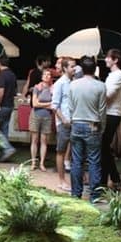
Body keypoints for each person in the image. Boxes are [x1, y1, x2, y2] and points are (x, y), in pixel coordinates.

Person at [66, 56, 107, 203]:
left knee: (76, 161)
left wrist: (73, 120)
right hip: (93, 125)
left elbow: (70, 107)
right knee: (94, 161)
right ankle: (94, 195)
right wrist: (102, 127)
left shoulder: (73, 85)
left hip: (76, 123)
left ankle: (76, 194)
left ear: (82, 69)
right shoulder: (101, 86)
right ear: (95, 69)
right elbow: (102, 110)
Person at [101, 48, 121, 189]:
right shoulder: (112, 75)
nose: (106, 59)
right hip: (108, 113)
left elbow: (107, 96)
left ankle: (107, 180)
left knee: (103, 146)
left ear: (115, 60)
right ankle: (111, 179)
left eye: (108, 57)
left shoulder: (118, 76)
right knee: (103, 147)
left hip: (112, 114)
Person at [51, 57, 76, 191]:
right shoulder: (60, 83)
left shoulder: (74, 82)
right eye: (72, 66)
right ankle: (61, 180)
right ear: (65, 68)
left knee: (75, 151)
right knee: (61, 151)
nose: (74, 69)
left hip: (74, 121)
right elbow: (55, 106)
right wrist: (64, 120)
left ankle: (76, 179)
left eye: (75, 66)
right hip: (64, 123)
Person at [29, 69, 54, 171]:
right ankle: (33, 162)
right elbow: (34, 104)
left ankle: (42, 163)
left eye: (49, 74)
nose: (47, 76)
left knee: (44, 141)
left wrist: (42, 104)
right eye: (45, 74)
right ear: (42, 76)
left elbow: (54, 105)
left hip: (47, 116)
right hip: (36, 115)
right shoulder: (37, 87)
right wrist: (48, 104)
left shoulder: (52, 89)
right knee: (34, 139)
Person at [0, 56, 17, 161]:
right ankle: (3, 153)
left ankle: (7, 148)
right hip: (10, 105)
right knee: (4, 128)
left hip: (3, 105)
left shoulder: (2, 75)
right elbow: (15, 90)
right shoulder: (12, 74)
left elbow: (1, 91)